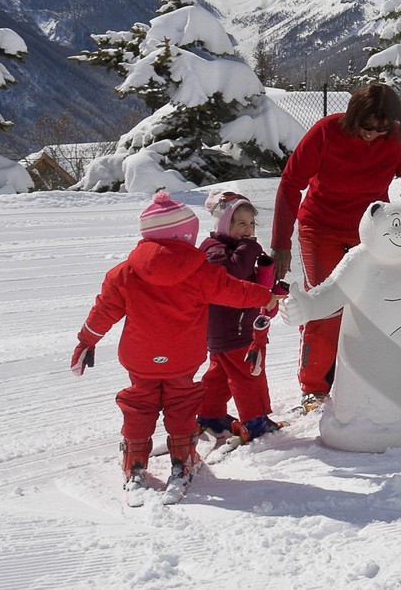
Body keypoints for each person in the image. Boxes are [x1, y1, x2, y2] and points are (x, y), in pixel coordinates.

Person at [71, 191, 282, 490]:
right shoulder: (200, 271)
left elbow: (103, 311)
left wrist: (86, 341)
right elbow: (234, 290)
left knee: (139, 403)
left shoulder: (124, 272)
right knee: (181, 403)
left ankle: (134, 459)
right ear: (186, 234)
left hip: (140, 358)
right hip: (183, 358)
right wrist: (266, 296)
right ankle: (183, 456)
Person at [272, 83, 401, 410]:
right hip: (321, 229)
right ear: (353, 116)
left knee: (374, 305)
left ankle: (371, 377)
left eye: (381, 128)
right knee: (325, 305)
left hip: (371, 232)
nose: (373, 134)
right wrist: (281, 244)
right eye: (366, 126)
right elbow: (291, 184)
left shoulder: (396, 137)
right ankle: (315, 387)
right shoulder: (325, 132)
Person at [197, 191, 283, 444]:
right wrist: (250, 248)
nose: (248, 229)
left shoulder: (233, 248)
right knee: (248, 373)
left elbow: (246, 280)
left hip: (229, 326)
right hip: (232, 327)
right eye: (241, 223)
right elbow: (231, 277)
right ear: (224, 224)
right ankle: (255, 421)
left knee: (220, 374)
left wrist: (269, 286)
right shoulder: (215, 250)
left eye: (251, 223)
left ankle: (210, 414)